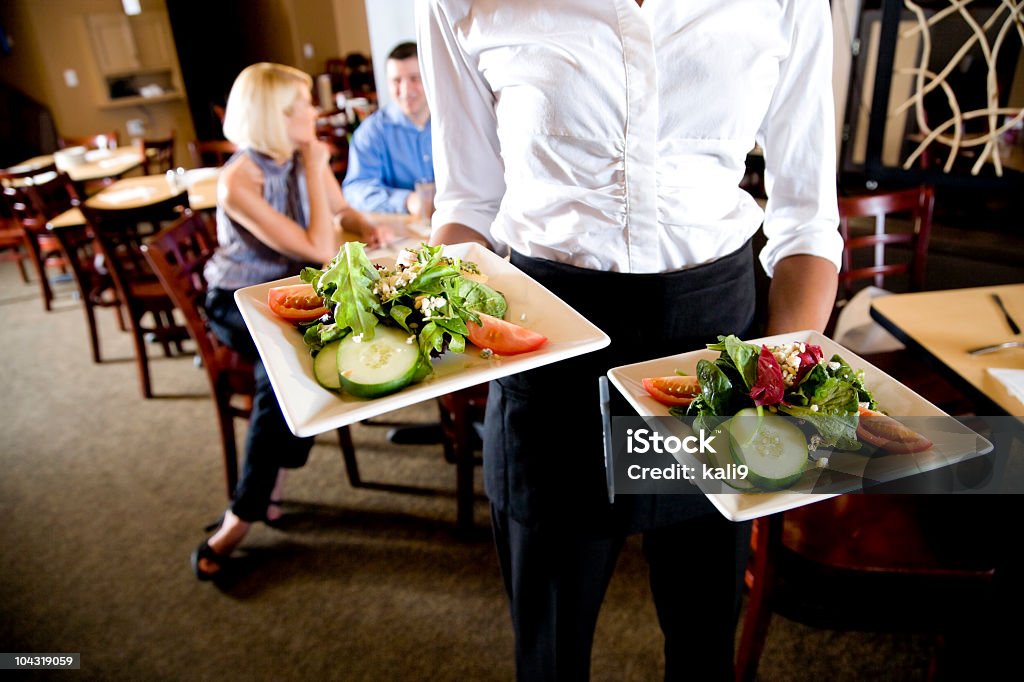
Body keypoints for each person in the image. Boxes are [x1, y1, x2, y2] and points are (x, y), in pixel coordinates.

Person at [417, 1, 843, 680]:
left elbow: (807, 224)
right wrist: (435, 308)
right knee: (552, 650)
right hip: (550, 350)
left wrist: (781, 372)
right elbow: (469, 204)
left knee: (705, 643)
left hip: (718, 351)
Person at [191, 62, 389, 581]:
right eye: (301, 104)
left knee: (313, 359)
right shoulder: (239, 180)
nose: (313, 110)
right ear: (275, 116)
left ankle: (270, 480)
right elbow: (320, 249)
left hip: (288, 293)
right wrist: (310, 162)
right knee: (280, 376)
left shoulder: (304, 153)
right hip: (235, 300)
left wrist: (364, 224)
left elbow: (340, 212)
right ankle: (244, 512)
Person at [343, 42, 434, 216]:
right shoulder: (370, 132)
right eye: (397, 81)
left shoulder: (454, 122)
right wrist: (407, 200)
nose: (405, 90)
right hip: (403, 231)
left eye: (415, 79)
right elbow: (355, 190)